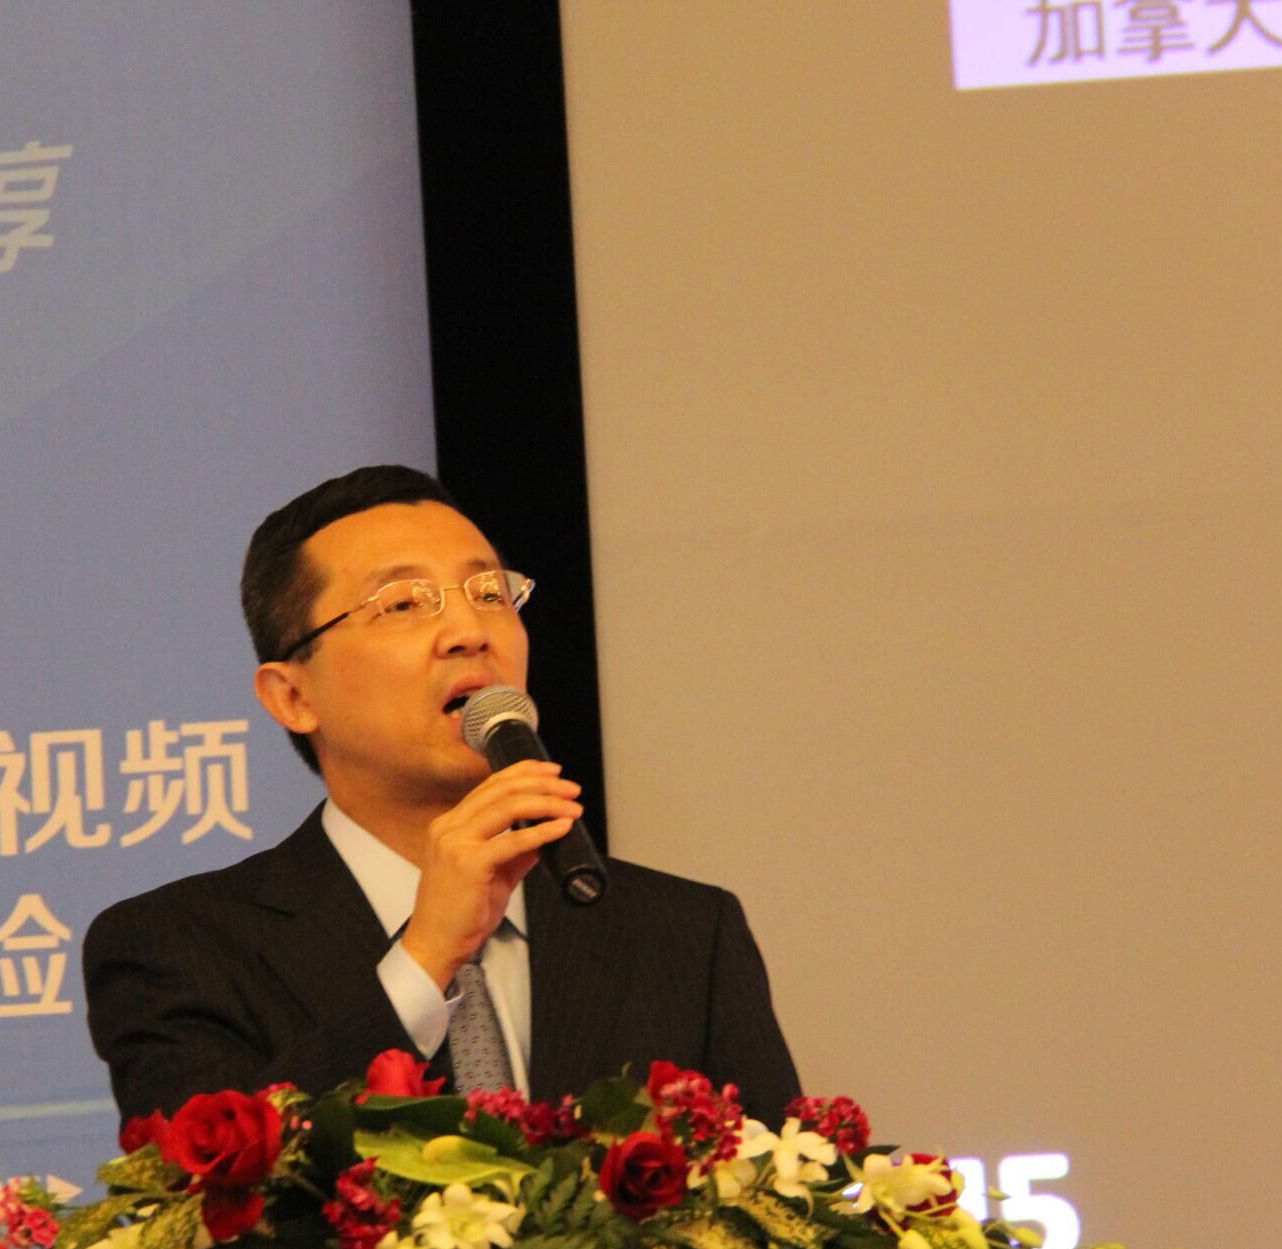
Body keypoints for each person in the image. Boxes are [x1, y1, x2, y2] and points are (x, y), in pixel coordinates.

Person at [82, 466, 800, 1122]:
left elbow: (784, 1205)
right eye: (402, 603)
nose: (468, 632)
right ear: (293, 696)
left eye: (490, 594)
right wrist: (426, 956)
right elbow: (214, 1194)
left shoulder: (684, 935)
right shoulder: (175, 948)